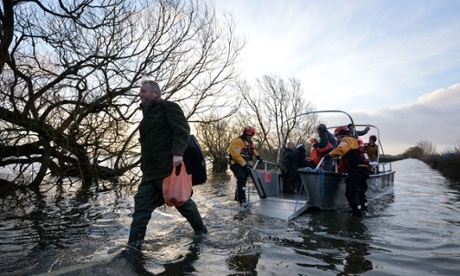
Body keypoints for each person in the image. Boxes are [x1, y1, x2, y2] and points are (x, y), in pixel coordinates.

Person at [127, 80, 207, 251]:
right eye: (140, 91)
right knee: (141, 209)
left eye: (144, 91)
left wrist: (178, 153)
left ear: (155, 93)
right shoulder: (146, 116)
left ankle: (202, 233)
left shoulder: (168, 107)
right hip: (149, 173)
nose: (140, 94)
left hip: (167, 171)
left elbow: (182, 129)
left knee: (184, 203)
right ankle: (133, 250)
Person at [326, 125, 370, 217]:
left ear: (342, 134)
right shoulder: (355, 141)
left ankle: (357, 214)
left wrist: (329, 155)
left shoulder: (347, 140)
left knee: (351, 192)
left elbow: (341, 149)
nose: (336, 138)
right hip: (364, 169)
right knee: (360, 191)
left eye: (337, 136)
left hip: (356, 169)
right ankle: (364, 209)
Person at [229, 126, 262, 207]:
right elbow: (236, 156)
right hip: (235, 164)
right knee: (241, 177)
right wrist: (245, 165)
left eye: (251, 136)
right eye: (248, 135)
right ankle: (242, 200)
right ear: (244, 134)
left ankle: (238, 197)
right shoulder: (237, 141)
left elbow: (252, 149)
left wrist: (258, 156)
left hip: (244, 164)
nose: (249, 137)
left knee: (243, 180)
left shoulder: (250, 142)